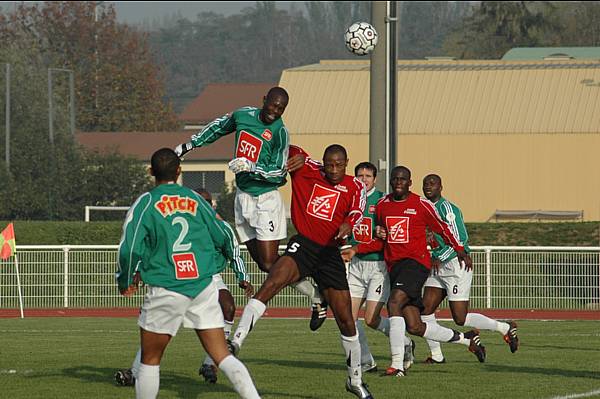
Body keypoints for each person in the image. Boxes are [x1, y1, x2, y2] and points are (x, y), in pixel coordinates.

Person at [228, 144, 374, 399]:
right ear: (324, 162)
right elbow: (280, 140)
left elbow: (357, 211)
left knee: (346, 320)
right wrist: (283, 156)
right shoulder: (307, 166)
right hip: (304, 244)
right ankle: (235, 341)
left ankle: (355, 380)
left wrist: (349, 224)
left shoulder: (355, 186)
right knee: (272, 282)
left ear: (347, 163)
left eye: (339, 165)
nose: (334, 170)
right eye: (329, 165)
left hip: (330, 254)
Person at [174, 86, 326, 330]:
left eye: (280, 109)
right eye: (273, 105)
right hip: (242, 198)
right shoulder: (243, 115)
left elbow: (279, 174)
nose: (275, 112)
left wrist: (251, 166)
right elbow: (217, 128)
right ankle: (316, 293)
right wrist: (189, 146)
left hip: (265, 200)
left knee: (269, 262)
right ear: (264, 100)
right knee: (266, 264)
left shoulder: (280, 133)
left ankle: (315, 293)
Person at [116, 148, 260, 399]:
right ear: (179, 171)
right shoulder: (195, 200)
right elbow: (222, 233)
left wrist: (126, 280)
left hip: (167, 285)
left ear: (151, 172)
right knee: (222, 356)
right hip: (202, 285)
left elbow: (129, 247)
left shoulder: (147, 202)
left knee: (150, 360)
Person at [342, 166, 486, 378]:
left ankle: (397, 365)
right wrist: (357, 248)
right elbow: (383, 239)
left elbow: (442, 228)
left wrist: (460, 250)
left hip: (416, 264)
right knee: (415, 326)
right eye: (395, 179)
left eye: (403, 179)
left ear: (410, 183)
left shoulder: (420, 204)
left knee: (394, 303)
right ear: (391, 182)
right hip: (395, 267)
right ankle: (466, 340)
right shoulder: (383, 205)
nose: (399, 182)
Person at [420, 174, 518, 364]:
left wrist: (439, 257)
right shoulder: (424, 208)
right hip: (437, 265)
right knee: (425, 311)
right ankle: (437, 355)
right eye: (425, 184)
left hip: (455, 264)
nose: (428, 187)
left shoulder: (447, 209)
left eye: (432, 184)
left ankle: (504, 328)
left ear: (441, 187)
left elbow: (460, 241)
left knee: (460, 317)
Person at [345, 162, 415, 373]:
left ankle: (404, 342)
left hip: (378, 265)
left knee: (371, 319)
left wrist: (378, 235)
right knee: (347, 316)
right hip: (356, 266)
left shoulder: (383, 201)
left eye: (368, 175)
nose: (363, 179)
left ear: (375, 179)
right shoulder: (350, 199)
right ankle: (366, 360)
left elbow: (387, 235)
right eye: (360, 175)